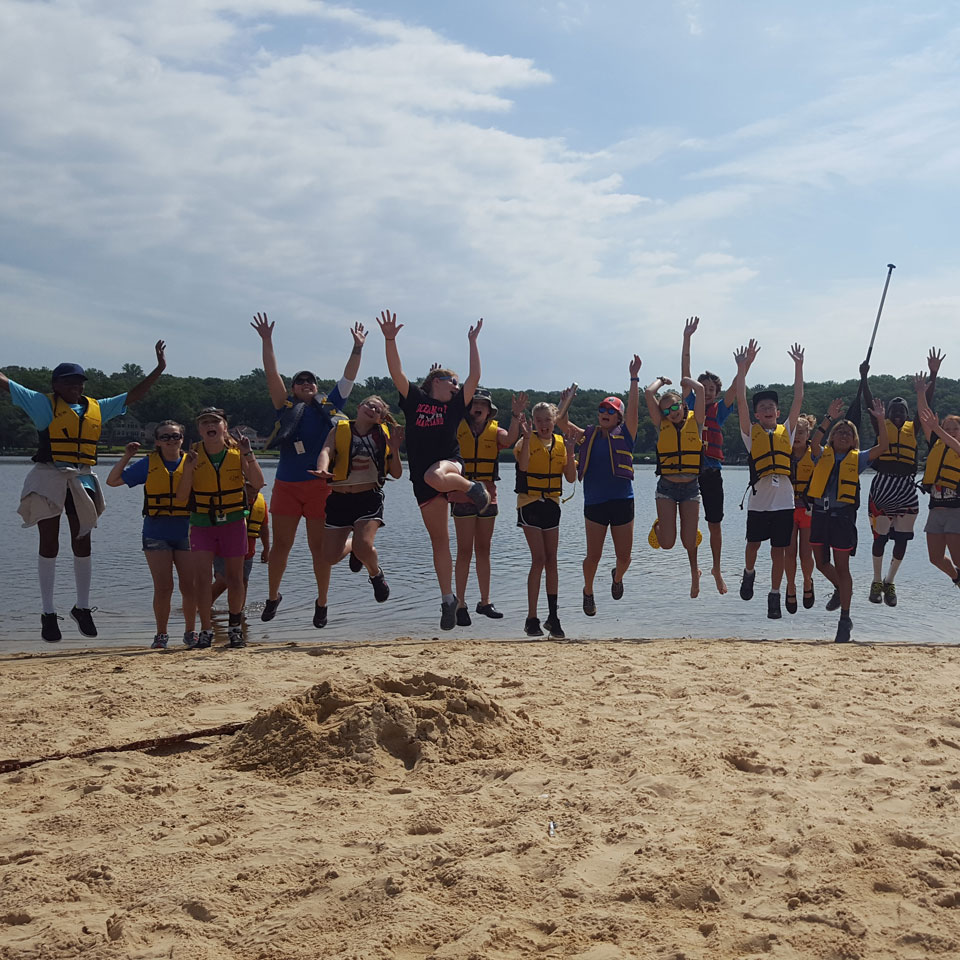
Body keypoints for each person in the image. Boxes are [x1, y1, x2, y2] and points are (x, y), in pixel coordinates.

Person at [1, 341, 166, 642]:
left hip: (82, 478)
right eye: (69, 382)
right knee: (49, 542)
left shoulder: (96, 407)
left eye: (79, 382)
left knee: (83, 540)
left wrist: (158, 369)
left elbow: (134, 396)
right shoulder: (42, 403)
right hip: (49, 476)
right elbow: (5, 382)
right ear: (56, 385)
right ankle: (48, 612)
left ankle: (83, 607)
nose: (76, 386)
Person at [251, 313, 366, 626]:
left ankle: (322, 602)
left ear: (316, 386)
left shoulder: (328, 404)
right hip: (287, 485)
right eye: (299, 381)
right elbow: (270, 373)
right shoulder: (285, 407)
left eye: (310, 381)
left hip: (319, 487)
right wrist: (266, 340)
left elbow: (349, 378)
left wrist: (357, 348)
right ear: (292, 388)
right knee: (280, 547)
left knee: (319, 550)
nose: (305, 384)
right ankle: (273, 596)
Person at [378, 309, 487, 630]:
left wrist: (472, 342)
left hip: (448, 464)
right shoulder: (415, 400)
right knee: (439, 541)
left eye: (456, 382)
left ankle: (472, 489)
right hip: (420, 480)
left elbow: (474, 378)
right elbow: (396, 371)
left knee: (434, 475)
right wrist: (389, 339)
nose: (456, 385)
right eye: (451, 381)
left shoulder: (455, 406)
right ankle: (447, 599)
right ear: (435, 382)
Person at [858, 348, 943, 607]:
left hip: (906, 486)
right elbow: (869, 404)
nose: (897, 414)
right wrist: (864, 379)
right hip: (883, 486)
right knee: (880, 537)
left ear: (907, 415)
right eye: (893, 411)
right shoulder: (880, 425)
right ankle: (875, 580)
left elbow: (924, 406)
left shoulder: (913, 427)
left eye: (901, 411)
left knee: (903, 538)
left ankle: (890, 581)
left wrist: (933, 374)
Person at [561, 355, 643, 616]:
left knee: (625, 557)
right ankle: (588, 591)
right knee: (592, 556)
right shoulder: (587, 437)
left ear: (618, 418)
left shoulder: (627, 435)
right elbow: (560, 422)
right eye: (602, 410)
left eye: (611, 411)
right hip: (595, 503)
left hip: (622, 501)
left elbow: (633, 409)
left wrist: (634, 378)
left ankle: (617, 577)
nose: (605, 414)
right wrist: (564, 403)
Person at [176, 407, 265, 649]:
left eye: (214, 421)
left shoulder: (237, 454)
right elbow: (182, 498)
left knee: (235, 578)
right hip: (203, 523)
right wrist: (187, 470)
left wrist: (249, 455)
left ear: (224, 426)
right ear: (199, 430)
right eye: (204, 422)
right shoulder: (192, 456)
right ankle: (206, 630)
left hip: (233, 522)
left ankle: (235, 628)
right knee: (202, 579)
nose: (209, 425)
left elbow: (258, 483)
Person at [311, 395, 403, 626]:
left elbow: (397, 473)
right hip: (339, 498)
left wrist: (395, 449)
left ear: (381, 417)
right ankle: (354, 547)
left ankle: (375, 574)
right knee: (329, 557)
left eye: (378, 409)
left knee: (365, 545)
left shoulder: (383, 436)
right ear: (359, 407)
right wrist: (322, 469)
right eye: (369, 404)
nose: (373, 409)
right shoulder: (340, 429)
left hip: (367, 498)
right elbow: (326, 451)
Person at [105, 420, 197, 649]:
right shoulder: (149, 463)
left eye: (175, 436)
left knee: (189, 585)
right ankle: (161, 635)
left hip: (187, 531)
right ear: (157, 441)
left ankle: (190, 632)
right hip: (156, 532)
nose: (170, 440)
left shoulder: (193, 463)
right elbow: (113, 481)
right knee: (164, 587)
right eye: (165, 437)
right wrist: (127, 456)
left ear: (182, 439)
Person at [807, 397, 889, 643]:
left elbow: (883, 445)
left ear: (854, 441)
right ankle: (840, 590)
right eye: (839, 432)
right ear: (832, 438)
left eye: (848, 433)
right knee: (821, 563)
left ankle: (845, 618)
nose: (843, 435)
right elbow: (813, 442)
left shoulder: (859, 458)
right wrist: (829, 418)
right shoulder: (822, 453)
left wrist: (880, 420)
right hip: (820, 515)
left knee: (843, 567)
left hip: (842, 518)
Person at [734, 339, 805, 620]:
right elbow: (740, 400)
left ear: (777, 412)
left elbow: (798, 399)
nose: (767, 409)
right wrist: (742, 370)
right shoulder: (750, 434)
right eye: (762, 406)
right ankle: (749, 573)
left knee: (780, 551)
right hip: (758, 503)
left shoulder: (786, 432)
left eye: (771, 406)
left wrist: (799, 367)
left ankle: (774, 593)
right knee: (753, 545)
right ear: (756, 413)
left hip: (784, 503)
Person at [450, 389, 523, 625]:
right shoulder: (456, 427)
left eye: (483, 404)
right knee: (464, 551)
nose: (478, 407)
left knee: (484, 550)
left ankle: (485, 601)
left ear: (489, 410)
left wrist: (516, 416)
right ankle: (460, 604)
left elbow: (510, 439)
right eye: (475, 403)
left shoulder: (495, 431)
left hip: (488, 496)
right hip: (462, 494)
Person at [680, 316, 740, 594]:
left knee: (714, 524)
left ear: (716, 393)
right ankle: (695, 571)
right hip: (690, 471)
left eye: (712, 389)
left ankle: (716, 568)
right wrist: (687, 337)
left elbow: (736, 389)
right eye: (704, 388)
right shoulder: (690, 404)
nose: (708, 392)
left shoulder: (721, 410)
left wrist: (744, 367)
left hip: (712, 471)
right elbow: (685, 372)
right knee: (691, 527)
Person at [515, 402, 577, 637]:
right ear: (533, 422)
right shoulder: (525, 442)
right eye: (538, 420)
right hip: (529, 503)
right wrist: (527, 437)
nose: (543, 424)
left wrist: (571, 453)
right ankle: (532, 617)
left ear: (554, 421)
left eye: (547, 420)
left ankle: (553, 616)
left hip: (551, 505)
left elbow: (570, 478)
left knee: (552, 560)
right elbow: (524, 466)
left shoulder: (561, 444)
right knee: (538, 558)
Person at [645, 373, 706, 598]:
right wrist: (661, 380)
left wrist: (687, 381)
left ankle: (694, 574)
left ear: (683, 404)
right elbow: (648, 393)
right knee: (668, 543)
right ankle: (659, 526)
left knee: (689, 541)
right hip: (667, 489)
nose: (673, 413)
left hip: (691, 488)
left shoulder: (696, 421)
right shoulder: (662, 425)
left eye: (676, 407)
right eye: (667, 410)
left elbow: (700, 390)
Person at [914, 372, 960, 593]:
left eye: (955, 429)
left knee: (959, 557)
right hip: (935, 509)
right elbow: (925, 419)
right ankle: (956, 577)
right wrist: (921, 393)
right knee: (934, 558)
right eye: (947, 428)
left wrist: (939, 429)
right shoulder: (937, 444)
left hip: (955, 511)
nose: (951, 432)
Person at [211, 482, 269, 611]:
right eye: (250, 486)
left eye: (257, 487)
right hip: (224, 549)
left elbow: (264, 528)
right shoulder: (230, 501)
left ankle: (239, 612)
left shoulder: (261, 503)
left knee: (243, 581)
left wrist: (266, 548)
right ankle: (202, 607)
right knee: (223, 581)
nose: (254, 489)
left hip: (248, 551)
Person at [784, 414, 818, 614]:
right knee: (789, 552)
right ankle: (790, 586)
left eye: (802, 432)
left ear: (808, 435)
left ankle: (807, 581)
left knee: (806, 554)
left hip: (807, 508)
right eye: (794, 432)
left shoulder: (815, 454)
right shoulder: (783, 453)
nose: (797, 436)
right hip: (787, 508)